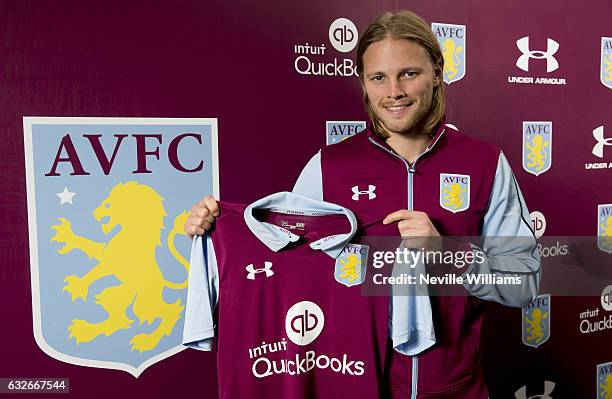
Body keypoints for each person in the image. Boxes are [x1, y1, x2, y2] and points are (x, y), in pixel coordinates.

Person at [184, 10, 540, 398]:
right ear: (364, 84)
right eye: (378, 78)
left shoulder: (486, 163)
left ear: (438, 71)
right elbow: (287, 262)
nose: (394, 92)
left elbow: (524, 284)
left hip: (458, 388)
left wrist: (449, 255)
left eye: (409, 73)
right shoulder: (327, 167)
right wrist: (214, 228)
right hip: (354, 384)